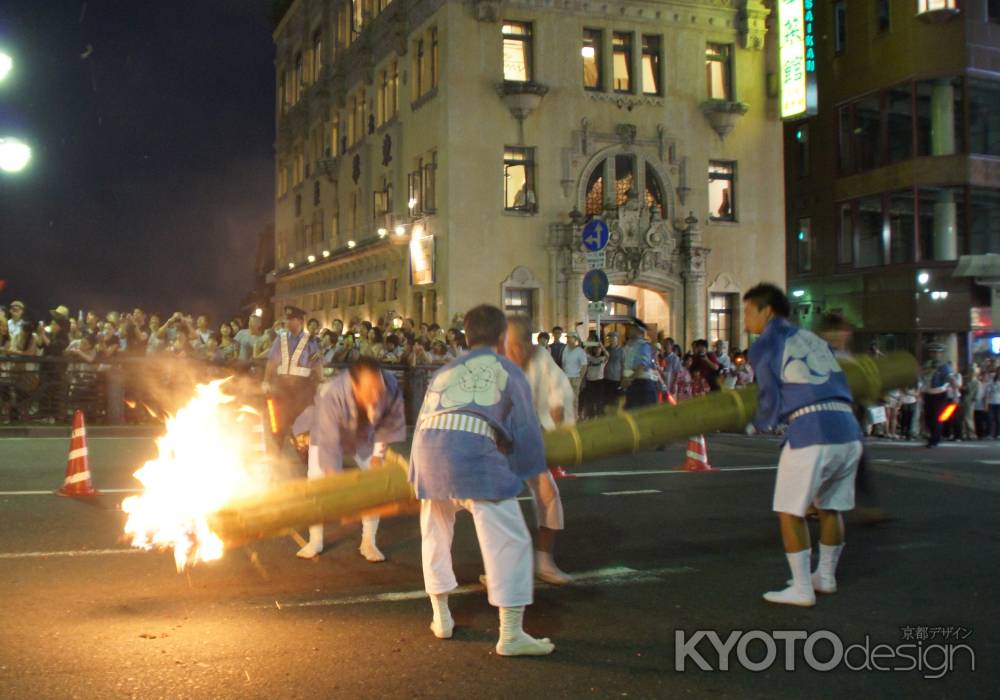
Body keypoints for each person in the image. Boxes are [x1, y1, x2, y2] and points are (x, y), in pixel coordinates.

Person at [409, 304, 554, 656]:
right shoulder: (507, 369)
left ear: (466, 336)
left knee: (435, 532)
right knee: (509, 538)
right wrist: (532, 472)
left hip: (427, 453)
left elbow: (424, 419)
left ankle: (441, 617)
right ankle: (511, 633)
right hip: (473, 455)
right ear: (503, 337)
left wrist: (417, 474)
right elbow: (525, 428)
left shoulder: (444, 371)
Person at [744, 283, 862, 608]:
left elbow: (769, 395)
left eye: (747, 312)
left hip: (811, 429)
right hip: (848, 429)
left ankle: (801, 588)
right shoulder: (810, 337)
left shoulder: (767, 342)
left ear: (766, 311)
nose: (745, 321)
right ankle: (825, 577)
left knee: (789, 510)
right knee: (830, 506)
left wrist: (758, 423)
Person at [293, 357, 406, 561]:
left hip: (366, 435)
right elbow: (329, 447)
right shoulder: (332, 394)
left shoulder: (390, 384)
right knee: (317, 484)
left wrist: (377, 458)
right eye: (368, 390)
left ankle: (368, 541)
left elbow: (390, 424)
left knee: (374, 485)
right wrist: (341, 496)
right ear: (354, 385)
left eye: (377, 388)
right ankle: (315, 540)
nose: (374, 395)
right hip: (327, 435)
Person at [505, 316, 574, 585]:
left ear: (529, 343)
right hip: (497, 444)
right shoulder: (494, 361)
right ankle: (501, 566)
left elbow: (559, 394)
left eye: (519, 345)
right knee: (496, 507)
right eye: (509, 345)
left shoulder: (542, 359)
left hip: (531, 440)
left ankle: (544, 560)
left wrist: (556, 420)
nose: (515, 352)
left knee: (548, 495)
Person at [262, 306, 323, 453]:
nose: (288, 322)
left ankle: (305, 456)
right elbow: (272, 362)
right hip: (282, 387)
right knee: (278, 422)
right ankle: (276, 453)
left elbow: (317, 364)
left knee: (303, 423)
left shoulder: (310, 340)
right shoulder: (281, 338)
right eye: (287, 319)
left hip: (303, 389)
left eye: (292, 319)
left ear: (300, 321)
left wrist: (321, 382)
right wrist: (266, 381)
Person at [921, 343, 952, 448]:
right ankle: (932, 436)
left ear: (941, 354)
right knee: (928, 417)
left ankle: (935, 439)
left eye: (937, 352)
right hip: (928, 393)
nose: (935, 354)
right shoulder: (927, 364)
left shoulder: (944, 366)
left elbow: (950, 378)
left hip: (940, 393)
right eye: (933, 352)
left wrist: (955, 391)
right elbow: (922, 377)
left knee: (936, 417)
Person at [622, 319, 658, 409]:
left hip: (642, 385)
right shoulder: (630, 346)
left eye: (632, 328)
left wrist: (629, 379)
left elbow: (642, 365)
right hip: (633, 383)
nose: (629, 330)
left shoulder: (643, 345)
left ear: (638, 330)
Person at [560, 331, 588, 415]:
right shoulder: (565, 349)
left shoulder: (580, 351)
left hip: (575, 378)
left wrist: (580, 378)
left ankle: (574, 417)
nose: (568, 339)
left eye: (570, 338)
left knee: (574, 399)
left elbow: (584, 366)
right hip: (566, 377)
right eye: (567, 337)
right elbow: (563, 363)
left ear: (575, 339)